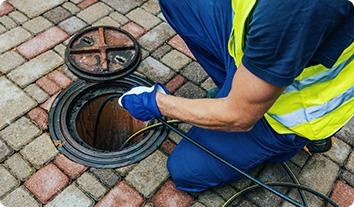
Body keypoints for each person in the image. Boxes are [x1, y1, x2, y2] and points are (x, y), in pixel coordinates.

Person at [119, 0, 354, 192]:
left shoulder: (295, 9)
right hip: (262, 51)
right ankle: (240, 90)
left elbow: (239, 117)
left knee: (186, 171)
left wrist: (156, 102)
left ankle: (286, 145)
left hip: (287, 117)